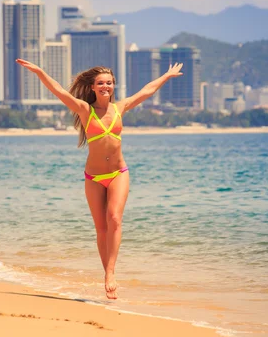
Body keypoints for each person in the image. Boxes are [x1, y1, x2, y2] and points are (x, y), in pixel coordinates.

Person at [16, 58, 184, 299]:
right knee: (101, 229)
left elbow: (147, 90)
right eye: (101, 83)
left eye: (109, 83)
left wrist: (166, 76)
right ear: (93, 87)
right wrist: (40, 72)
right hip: (93, 177)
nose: (106, 86)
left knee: (114, 218)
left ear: (113, 86)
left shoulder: (121, 107)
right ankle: (107, 273)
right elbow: (60, 91)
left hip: (118, 173)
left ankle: (111, 274)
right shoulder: (86, 110)